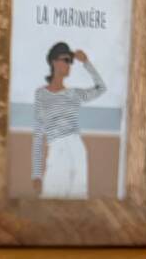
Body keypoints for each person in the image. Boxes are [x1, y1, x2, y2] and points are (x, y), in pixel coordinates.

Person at [31, 42, 106, 198]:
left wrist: (86, 62)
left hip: (77, 149)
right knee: (50, 200)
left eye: (70, 61)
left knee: (78, 200)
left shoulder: (74, 94)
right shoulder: (41, 94)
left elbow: (101, 88)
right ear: (54, 62)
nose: (69, 64)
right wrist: (36, 174)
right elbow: (38, 135)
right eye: (66, 60)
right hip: (56, 149)